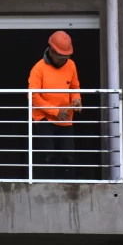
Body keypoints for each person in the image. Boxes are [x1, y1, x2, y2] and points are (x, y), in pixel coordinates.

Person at [28, 30, 81, 179]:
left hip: (65, 120)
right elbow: (33, 96)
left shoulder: (71, 65)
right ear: (51, 51)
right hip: (45, 119)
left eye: (67, 57)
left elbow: (75, 88)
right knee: (47, 154)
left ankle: (69, 187)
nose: (64, 60)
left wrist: (77, 99)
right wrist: (56, 112)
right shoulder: (38, 69)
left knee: (68, 156)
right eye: (61, 57)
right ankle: (47, 187)